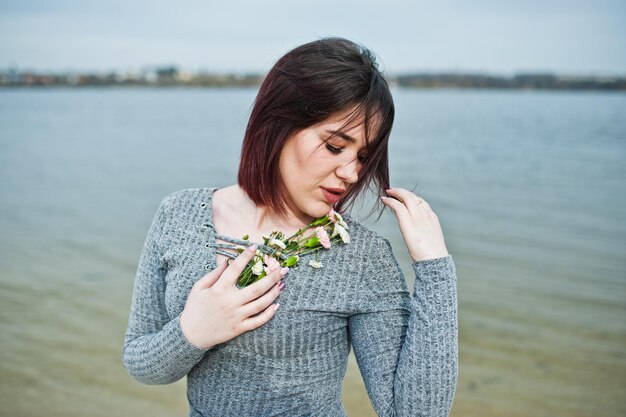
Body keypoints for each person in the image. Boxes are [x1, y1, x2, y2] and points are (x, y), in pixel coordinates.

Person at [122, 36, 458, 417]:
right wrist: (193, 332)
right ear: (277, 124)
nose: (351, 173)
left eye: (363, 156)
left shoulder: (361, 256)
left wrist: (435, 267)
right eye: (334, 146)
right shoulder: (179, 215)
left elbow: (415, 413)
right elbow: (139, 361)